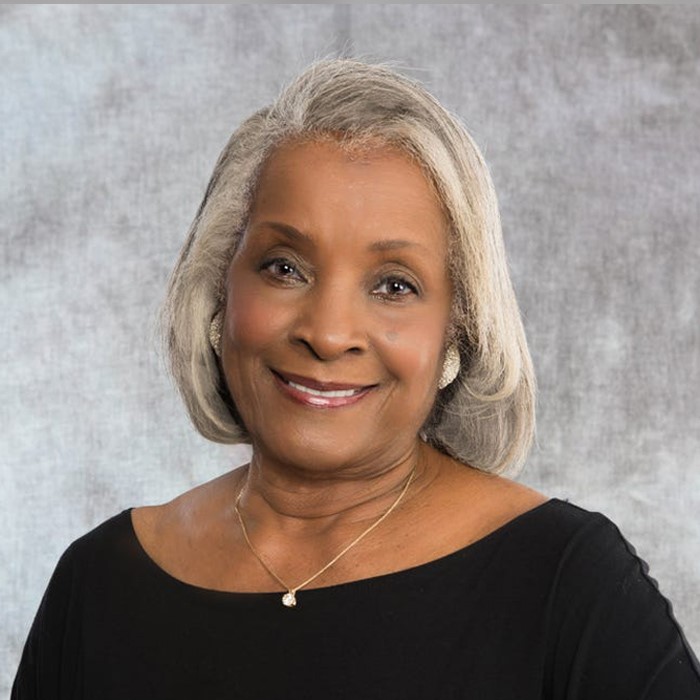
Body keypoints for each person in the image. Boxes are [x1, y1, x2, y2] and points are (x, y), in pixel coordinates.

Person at [12, 59, 700, 699]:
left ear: (458, 328)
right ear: (220, 289)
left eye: (394, 285)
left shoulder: (566, 583)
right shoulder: (98, 584)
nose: (329, 332)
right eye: (285, 267)